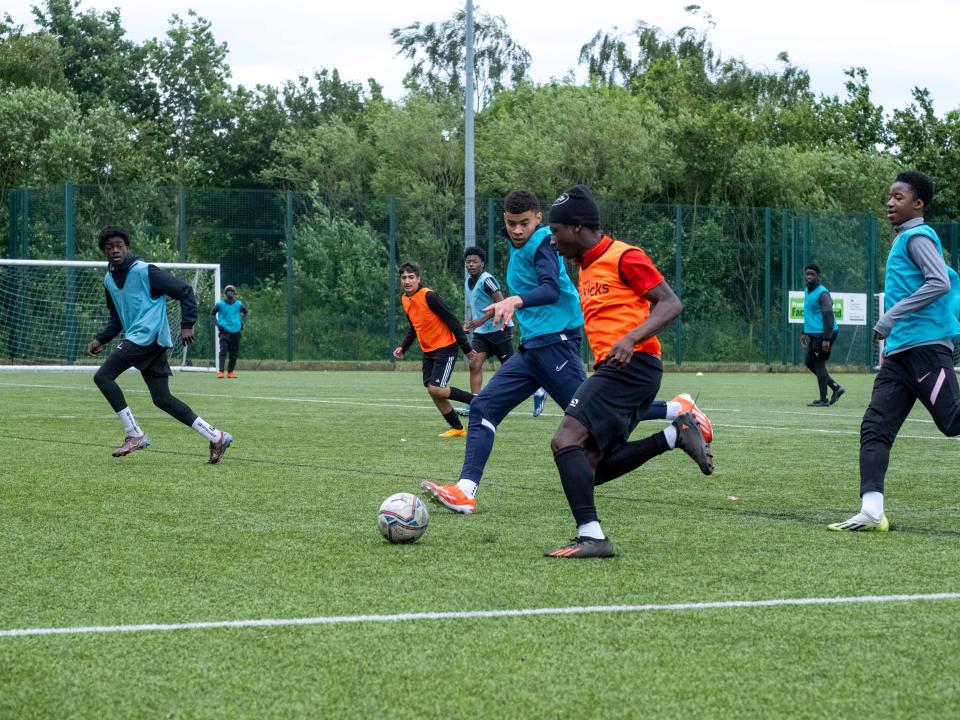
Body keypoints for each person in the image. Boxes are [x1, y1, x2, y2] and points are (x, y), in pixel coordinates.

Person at [421, 190, 712, 514]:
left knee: (597, 415)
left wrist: (515, 300)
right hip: (532, 347)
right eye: (511, 223)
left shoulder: (546, 242)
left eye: (524, 223)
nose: (517, 230)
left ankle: (679, 410)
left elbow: (551, 288)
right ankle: (465, 492)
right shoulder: (517, 241)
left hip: (556, 343)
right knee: (483, 408)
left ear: (538, 219)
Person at [542, 185, 713, 557]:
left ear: (578, 227)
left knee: (564, 440)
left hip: (633, 366)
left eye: (556, 232)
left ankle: (593, 538)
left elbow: (671, 304)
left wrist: (631, 339)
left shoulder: (625, 256)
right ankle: (675, 435)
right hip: (623, 369)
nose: (553, 241)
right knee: (589, 467)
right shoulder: (585, 267)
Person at [829, 170, 960, 532]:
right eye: (889, 196)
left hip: (926, 351)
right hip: (902, 354)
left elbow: (939, 282)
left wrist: (889, 317)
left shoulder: (917, 236)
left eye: (898, 197)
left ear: (917, 204)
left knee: (952, 422)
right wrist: (891, 344)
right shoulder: (904, 239)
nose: (890, 202)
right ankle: (872, 510)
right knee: (875, 427)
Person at [87, 225, 233, 464]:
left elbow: (185, 291)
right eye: (109, 247)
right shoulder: (109, 280)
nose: (115, 250)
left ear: (127, 247)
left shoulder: (146, 271)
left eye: (119, 246)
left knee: (103, 377)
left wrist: (187, 324)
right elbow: (117, 318)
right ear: (103, 251)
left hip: (148, 336)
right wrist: (100, 339)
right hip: (144, 339)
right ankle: (216, 436)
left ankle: (134, 433)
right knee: (162, 399)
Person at [460, 245, 548, 416]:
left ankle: (538, 391)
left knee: (512, 368)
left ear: (482, 264)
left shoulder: (487, 280)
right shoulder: (468, 282)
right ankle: (475, 404)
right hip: (482, 333)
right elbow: (476, 305)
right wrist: (470, 322)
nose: (471, 264)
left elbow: (501, 302)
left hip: (498, 330)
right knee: (474, 365)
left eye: (474, 262)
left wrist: (481, 321)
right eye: (468, 262)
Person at [393, 262, 478, 438]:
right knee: (432, 390)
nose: (407, 281)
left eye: (411, 277)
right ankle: (458, 428)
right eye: (403, 278)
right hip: (429, 351)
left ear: (418, 279)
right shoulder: (405, 299)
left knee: (437, 389)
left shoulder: (429, 296)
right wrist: (404, 346)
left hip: (446, 347)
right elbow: (414, 327)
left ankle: (478, 402)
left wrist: (466, 348)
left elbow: (452, 321)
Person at [800, 263, 844, 406]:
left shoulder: (823, 293)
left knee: (819, 364)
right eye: (807, 274)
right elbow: (809, 314)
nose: (809, 276)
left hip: (824, 334)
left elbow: (828, 316)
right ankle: (835, 387)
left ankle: (823, 399)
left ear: (818, 276)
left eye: (812, 274)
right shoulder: (807, 291)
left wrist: (827, 338)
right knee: (808, 362)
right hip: (813, 334)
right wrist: (804, 332)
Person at [212, 284, 248, 379]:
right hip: (224, 331)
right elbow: (212, 314)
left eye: (232, 291)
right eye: (228, 291)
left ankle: (230, 372)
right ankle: (220, 372)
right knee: (223, 351)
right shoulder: (220, 304)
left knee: (234, 352)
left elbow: (245, 312)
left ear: (234, 293)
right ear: (225, 293)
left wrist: (242, 323)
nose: (230, 292)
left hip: (236, 331)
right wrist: (218, 324)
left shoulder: (238, 304)